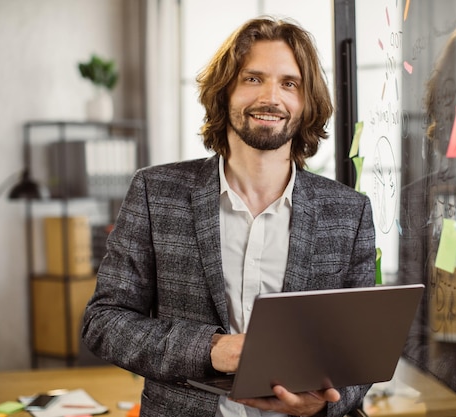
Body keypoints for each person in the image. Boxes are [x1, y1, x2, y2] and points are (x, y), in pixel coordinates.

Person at [82, 16, 376, 417]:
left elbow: (361, 347)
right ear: (225, 93)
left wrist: (324, 404)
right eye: (253, 79)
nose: (270, 97)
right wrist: (211, 348)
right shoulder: (155, 192)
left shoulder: (349, 212)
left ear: (307, 103)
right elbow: (104, 322)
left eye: (289, 83)